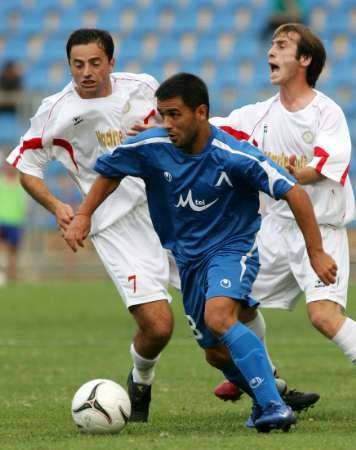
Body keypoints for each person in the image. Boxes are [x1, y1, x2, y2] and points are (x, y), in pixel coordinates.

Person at [64, 72, 337, 431]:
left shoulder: (233, 154)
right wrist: (83, 214)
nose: (167, 124)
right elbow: (111, 171)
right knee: (215, 352)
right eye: (163, 115)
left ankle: (274, 406)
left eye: (175, 114)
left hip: (232, 247)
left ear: (202, 112)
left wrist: (316, 252)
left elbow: (294, 192)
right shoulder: (152, 146)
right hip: (188, 259)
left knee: (220, 316)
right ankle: (263, 402)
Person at [6, 28, 180, 423]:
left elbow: (178, 126)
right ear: (69, 65)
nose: (86, 72)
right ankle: (141, 378)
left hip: (168, 210)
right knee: (158, 326)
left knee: (224, 309)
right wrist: (56, 205)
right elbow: (26, 166)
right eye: (77, 64)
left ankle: (269, 384)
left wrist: (159, 131)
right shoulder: (55, 111)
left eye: (95, 63)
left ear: (111, 63)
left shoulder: (143, 88)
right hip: (114, 224)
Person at [211, 23, 356, 403]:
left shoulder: (326, 113)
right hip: (274, 228)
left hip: (320, 229)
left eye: (281, 45)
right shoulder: (259, 115)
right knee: (235, 306)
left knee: (324, 316)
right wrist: (160, 125)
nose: (270, 52)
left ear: (304, 59)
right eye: (271, 45)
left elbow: (324, 166)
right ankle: (264, 375)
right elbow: (213, 129)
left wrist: (293, 175)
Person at [0, 159, 26, 282]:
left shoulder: (21, 183)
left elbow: (24, 204)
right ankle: (3, 274)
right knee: (2, 249)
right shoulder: (1, 182)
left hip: (16, 221)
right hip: (2, 221)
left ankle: (12, 275)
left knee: (14, 251)